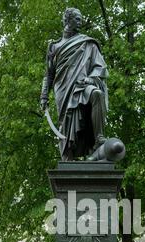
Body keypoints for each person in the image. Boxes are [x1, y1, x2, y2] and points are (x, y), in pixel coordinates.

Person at [40, 8, 108, 161]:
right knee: (66, 122)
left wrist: (91, 78)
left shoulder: (88, 43)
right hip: (62, 89)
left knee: (97, 94)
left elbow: (100, 67)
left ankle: (99, 138)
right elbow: (49, 73)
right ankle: (67, 156)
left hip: (82, 85)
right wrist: (44, 95)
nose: (81, 22)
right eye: (77, 19)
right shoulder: (54, 46)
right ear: (67, 20)